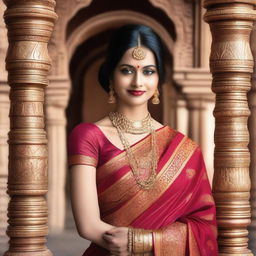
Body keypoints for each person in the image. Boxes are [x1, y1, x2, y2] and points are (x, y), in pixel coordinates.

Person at [68, 24, 218, 256]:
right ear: (110, 74)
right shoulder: (89, 135)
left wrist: (145, 241)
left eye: (148, 71)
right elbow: (88, 225)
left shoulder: (183, 147)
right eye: (127, 70)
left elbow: (204, 224)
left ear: (158, 78)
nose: (138, 82)